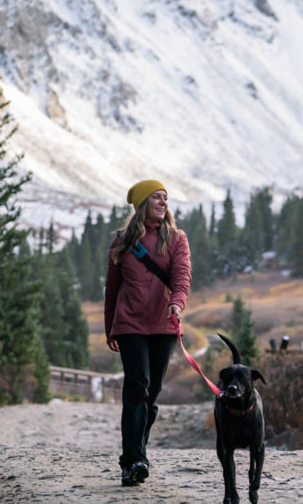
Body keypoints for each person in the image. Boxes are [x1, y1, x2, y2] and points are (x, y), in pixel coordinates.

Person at [105, 179, 192, 486]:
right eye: (156, 197)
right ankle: (133, 459)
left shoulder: (176, 239)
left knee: (151, 394)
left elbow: (182, 277)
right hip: (130, 326)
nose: (163, 202)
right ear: (143, 204)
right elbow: (112, 291)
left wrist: (177, 304)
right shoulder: (122, 243)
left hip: (163, 325)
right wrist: (110, 328)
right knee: (137, 388)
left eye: (165, 197)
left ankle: (136, 455)